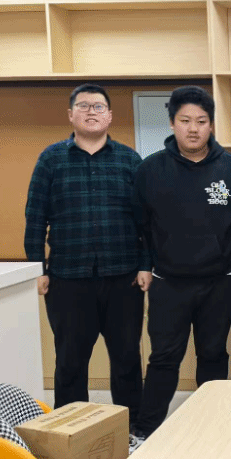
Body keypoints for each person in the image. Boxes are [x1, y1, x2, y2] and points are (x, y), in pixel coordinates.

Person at [131, 86, 231, 439]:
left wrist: (218, 244)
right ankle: (145, 431)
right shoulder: (150, 169)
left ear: (211, 125)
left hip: (219, 281)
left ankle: (212, 427)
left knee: (214, 355)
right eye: (185, 120)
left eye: (201, 121)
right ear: (172, 123)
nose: (193, 128)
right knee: (164, 358)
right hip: (168, 282)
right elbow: (140, 224)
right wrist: (146, 263)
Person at [24, 84, 145, 422]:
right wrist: (37, 269)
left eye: (98, 106)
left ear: (109, 115)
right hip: (67, 278)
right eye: (83, 105)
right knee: (70, 360)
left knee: (127, 359)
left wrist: (146, 264)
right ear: (70, 114)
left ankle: (132, 428)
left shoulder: (129, 160)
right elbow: (35, 217)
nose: (91, 111)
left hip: (123, 277)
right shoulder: (51, 159)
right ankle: (70, 430)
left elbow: (145, 220)